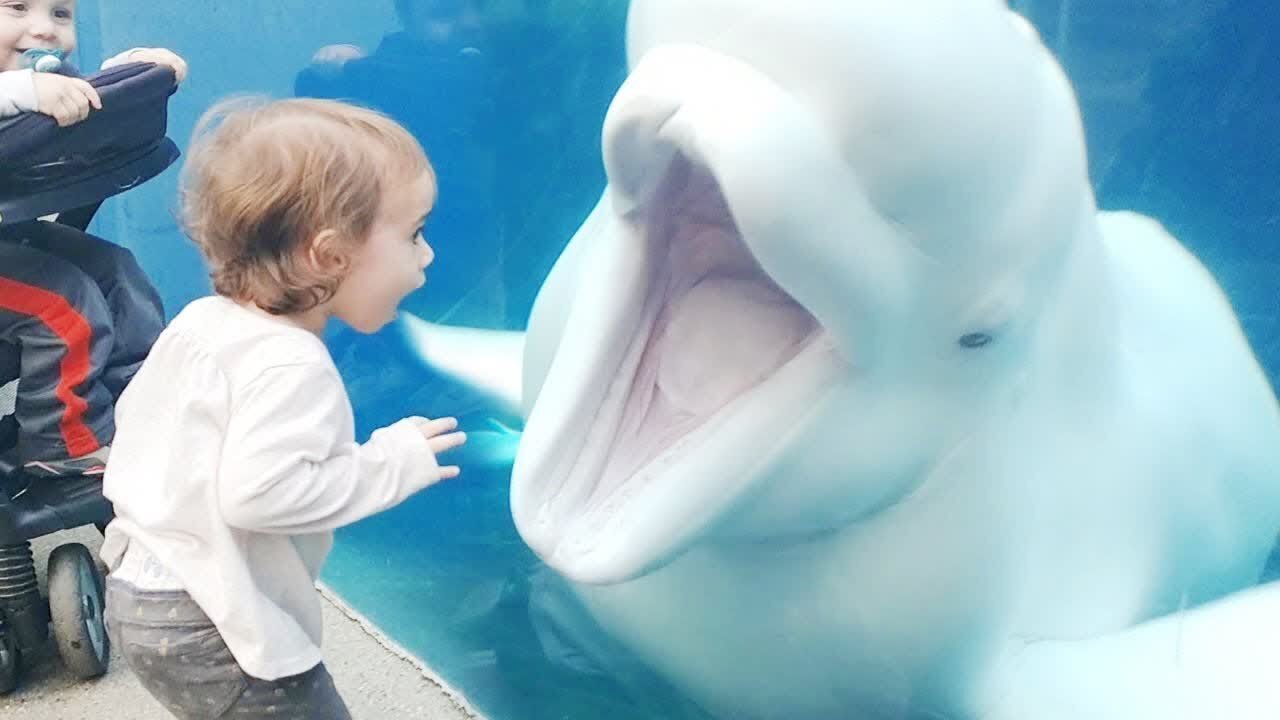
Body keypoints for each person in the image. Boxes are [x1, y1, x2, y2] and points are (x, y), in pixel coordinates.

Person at [100, 96, 468, 719]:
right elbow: (262, 494)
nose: (426, 255)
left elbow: (139, 425)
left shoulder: (203, 324)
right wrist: (389, 464)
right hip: (211, 615)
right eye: (414, 234)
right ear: (329, 256)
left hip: (142, 589)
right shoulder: (291, 363)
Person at [0, 0, 187, 476]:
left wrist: (132, 73)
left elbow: (88, 97)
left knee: (117, 273)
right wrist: (24, 89)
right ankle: (61, 441)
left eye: (61, 14)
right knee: (62, 301)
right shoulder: (22, 88)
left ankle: (142, 411)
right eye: (15, 7)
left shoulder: (41, 84)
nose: (44, 29)